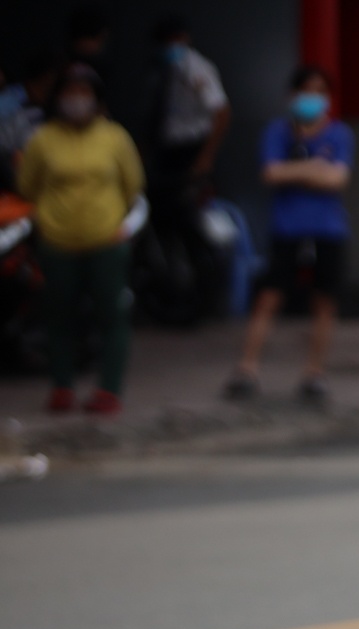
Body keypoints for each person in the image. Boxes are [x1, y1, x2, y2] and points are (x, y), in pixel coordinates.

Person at [18, 64, 143, 416]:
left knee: (111, 316)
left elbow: (133, 184)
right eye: (69, 93)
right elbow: (28, 185)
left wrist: (121, 226)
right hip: (57, 242)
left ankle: (109, 389)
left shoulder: (114, 137)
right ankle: (62, 386)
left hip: (106, 240)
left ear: (97, 99)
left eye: (83, 93)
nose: (76, 101)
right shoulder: (43, 139)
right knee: (58, 317)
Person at [225, 65, 351, 404]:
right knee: (268, 299)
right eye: (306, 91)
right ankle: (247, 369)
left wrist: (295, 172)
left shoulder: (339, 134)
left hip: (327, 230)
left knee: (323, 302)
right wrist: (313, 170)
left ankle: (314, 373)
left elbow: (338, 180)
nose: (312, 99)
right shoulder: (277, 133)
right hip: (287, 229)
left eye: (319, 92)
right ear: (292, 96)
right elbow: (270, 173)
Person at [149, 15, 230, 197]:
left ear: (184, 38)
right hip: (167, 148)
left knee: (192, 209)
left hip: (193, 148)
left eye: (174, 39)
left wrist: (205, 158)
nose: (170, 45)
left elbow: (222, 112)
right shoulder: (162, 68)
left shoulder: (197, 67)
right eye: (166, 41)